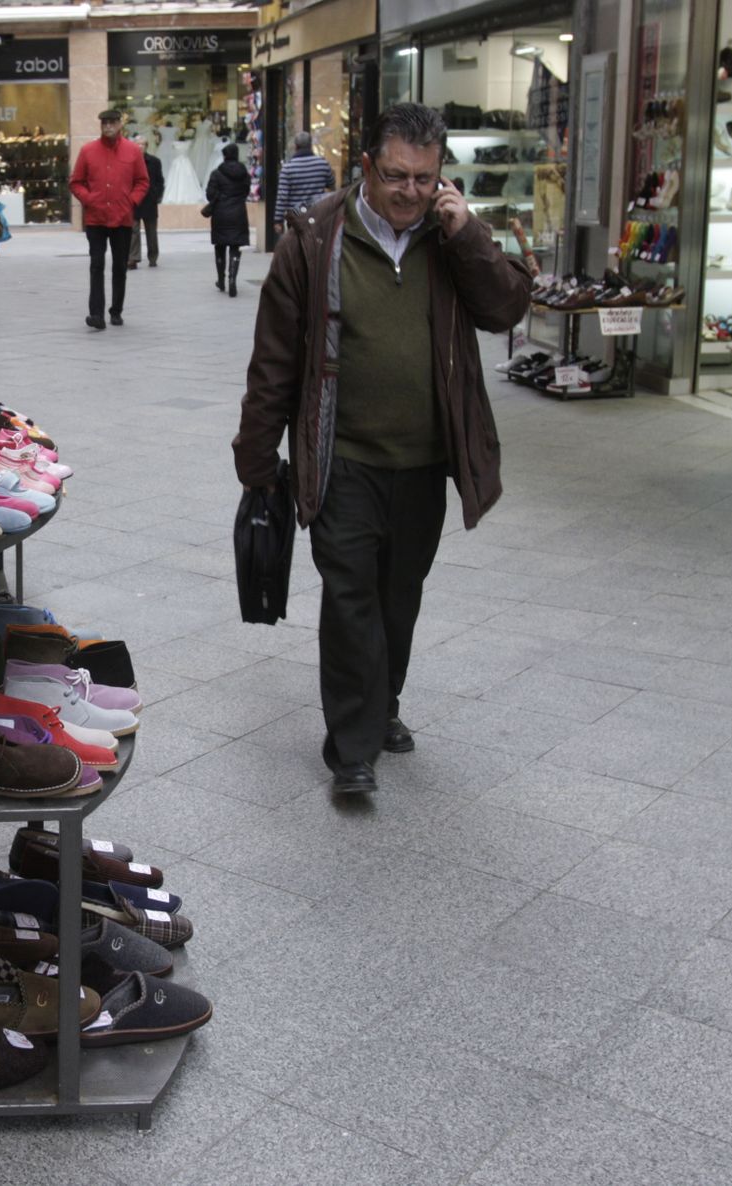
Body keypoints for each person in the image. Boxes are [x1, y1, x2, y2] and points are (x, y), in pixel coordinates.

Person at [232, 103, 530, 795]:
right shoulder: (314, 238)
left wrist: (470, 234)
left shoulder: (449, 236)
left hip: (424, 462)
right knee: (350, 598)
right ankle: (353, 748)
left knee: (400, 598)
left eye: (425, 179)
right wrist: (256, 457)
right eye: (396, 175)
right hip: (344, 458)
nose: (410, 191)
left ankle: (382, 703)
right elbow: (273, 361)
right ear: (366, 166)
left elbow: (506, 309)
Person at [69, 109, 148, 330]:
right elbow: (75, 182)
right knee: (96, 265)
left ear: (120, 124)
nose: (108, 126)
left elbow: (143, 181)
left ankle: (116, 310)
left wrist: (131, 201)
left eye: (112, 122)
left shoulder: (132, 152)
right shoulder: (88, 151)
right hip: (96, 218)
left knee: (119, 266)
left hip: (122, 218)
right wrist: (89, 199)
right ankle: (96, 314)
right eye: (104, 123)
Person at [205, 143, 251, 296]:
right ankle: (233, 279)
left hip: (221, 214)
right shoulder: (244, 173)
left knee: (220, 247)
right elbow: (246, 190)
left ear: (224, 156)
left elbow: (210, 194)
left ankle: (221, 280)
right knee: (235, 247)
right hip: (238, 213)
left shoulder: (217, 173)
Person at [272, 132, 335, 236]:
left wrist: (278, 220)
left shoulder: (288, 168)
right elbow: (331, 185)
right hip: (317, 214)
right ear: (310, 145)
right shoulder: (323, 164)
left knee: (297, 247)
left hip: (296, 217)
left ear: (296, 146)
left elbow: (282, 197)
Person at [128, 136, 164, 270]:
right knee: (133, 231)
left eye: (142, 144)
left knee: (151, 232)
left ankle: (153, 257)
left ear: (147, 146)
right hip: (134, 201)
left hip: (150, 201)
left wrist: (157, 195)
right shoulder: (129, 161)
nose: (140, 147)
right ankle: (133, 258)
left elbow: (160, 181)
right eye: (137, 144)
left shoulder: (155, 162)